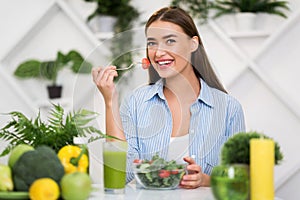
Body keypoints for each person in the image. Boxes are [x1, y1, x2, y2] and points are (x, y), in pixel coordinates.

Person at [92, 6, 245, 189]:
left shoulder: (229, 108)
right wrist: (110, 102)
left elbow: (239, 182)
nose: (158, 52)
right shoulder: (136, 103)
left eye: (170, 41)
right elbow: (122, 175)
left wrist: (206, 180)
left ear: (193, 44)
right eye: (152, 43)